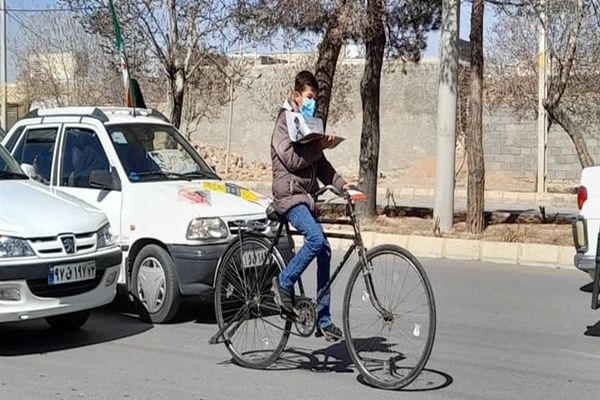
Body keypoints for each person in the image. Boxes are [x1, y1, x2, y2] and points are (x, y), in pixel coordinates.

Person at [270, 70, 351, 342]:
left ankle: (324, 318)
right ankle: (284, 280)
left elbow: (321, 167)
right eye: (308, 97)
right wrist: (319, 147)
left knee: (325, 249)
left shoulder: (310, 123)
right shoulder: (285, 122)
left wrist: (342, 186)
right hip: (289, 197)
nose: (312, 103)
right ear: (296, 95)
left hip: (306, 198)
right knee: (316, 239)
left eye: (314, 98)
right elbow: (292, 160)